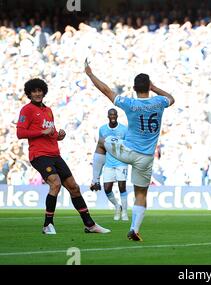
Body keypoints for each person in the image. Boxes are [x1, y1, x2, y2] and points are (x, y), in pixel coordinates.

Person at [85, 60, 174, 241]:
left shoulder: (130, 103)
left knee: (102, 142)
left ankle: (95, 179)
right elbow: (171, 98)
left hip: (128, 150)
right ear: (148, 86)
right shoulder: (159, 102)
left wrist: (90, 74)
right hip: (146, 157)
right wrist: (155, 88)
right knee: (141, 194)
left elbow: (107, 91)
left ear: (133, 87)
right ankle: (134, 228)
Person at [16, 78, 110, 234]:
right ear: (29, 93)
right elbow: (20, 133)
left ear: (43, 92)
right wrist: (41, 132)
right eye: (34, 91)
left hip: (54, 154)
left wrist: (59, 136)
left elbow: (50, 133)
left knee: (74, 187)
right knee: (55, 183)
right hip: (39, 155)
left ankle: (90, 224)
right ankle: (47, 225)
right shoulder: (27, 110)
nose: (38, 94)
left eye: (40, 90)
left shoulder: (48, 110)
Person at [90, 108, 129, 221]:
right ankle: (117, 206)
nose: (113, 116)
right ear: (108, 116)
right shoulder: (102, 129)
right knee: (107, 188)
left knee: (122, 186)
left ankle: (125, 213)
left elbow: (127, 145)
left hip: (121, 162)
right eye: (111, 115)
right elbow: (101, 148)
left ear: (117, 116)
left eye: (114, 114)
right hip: (109, 162)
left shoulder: (124, 129)